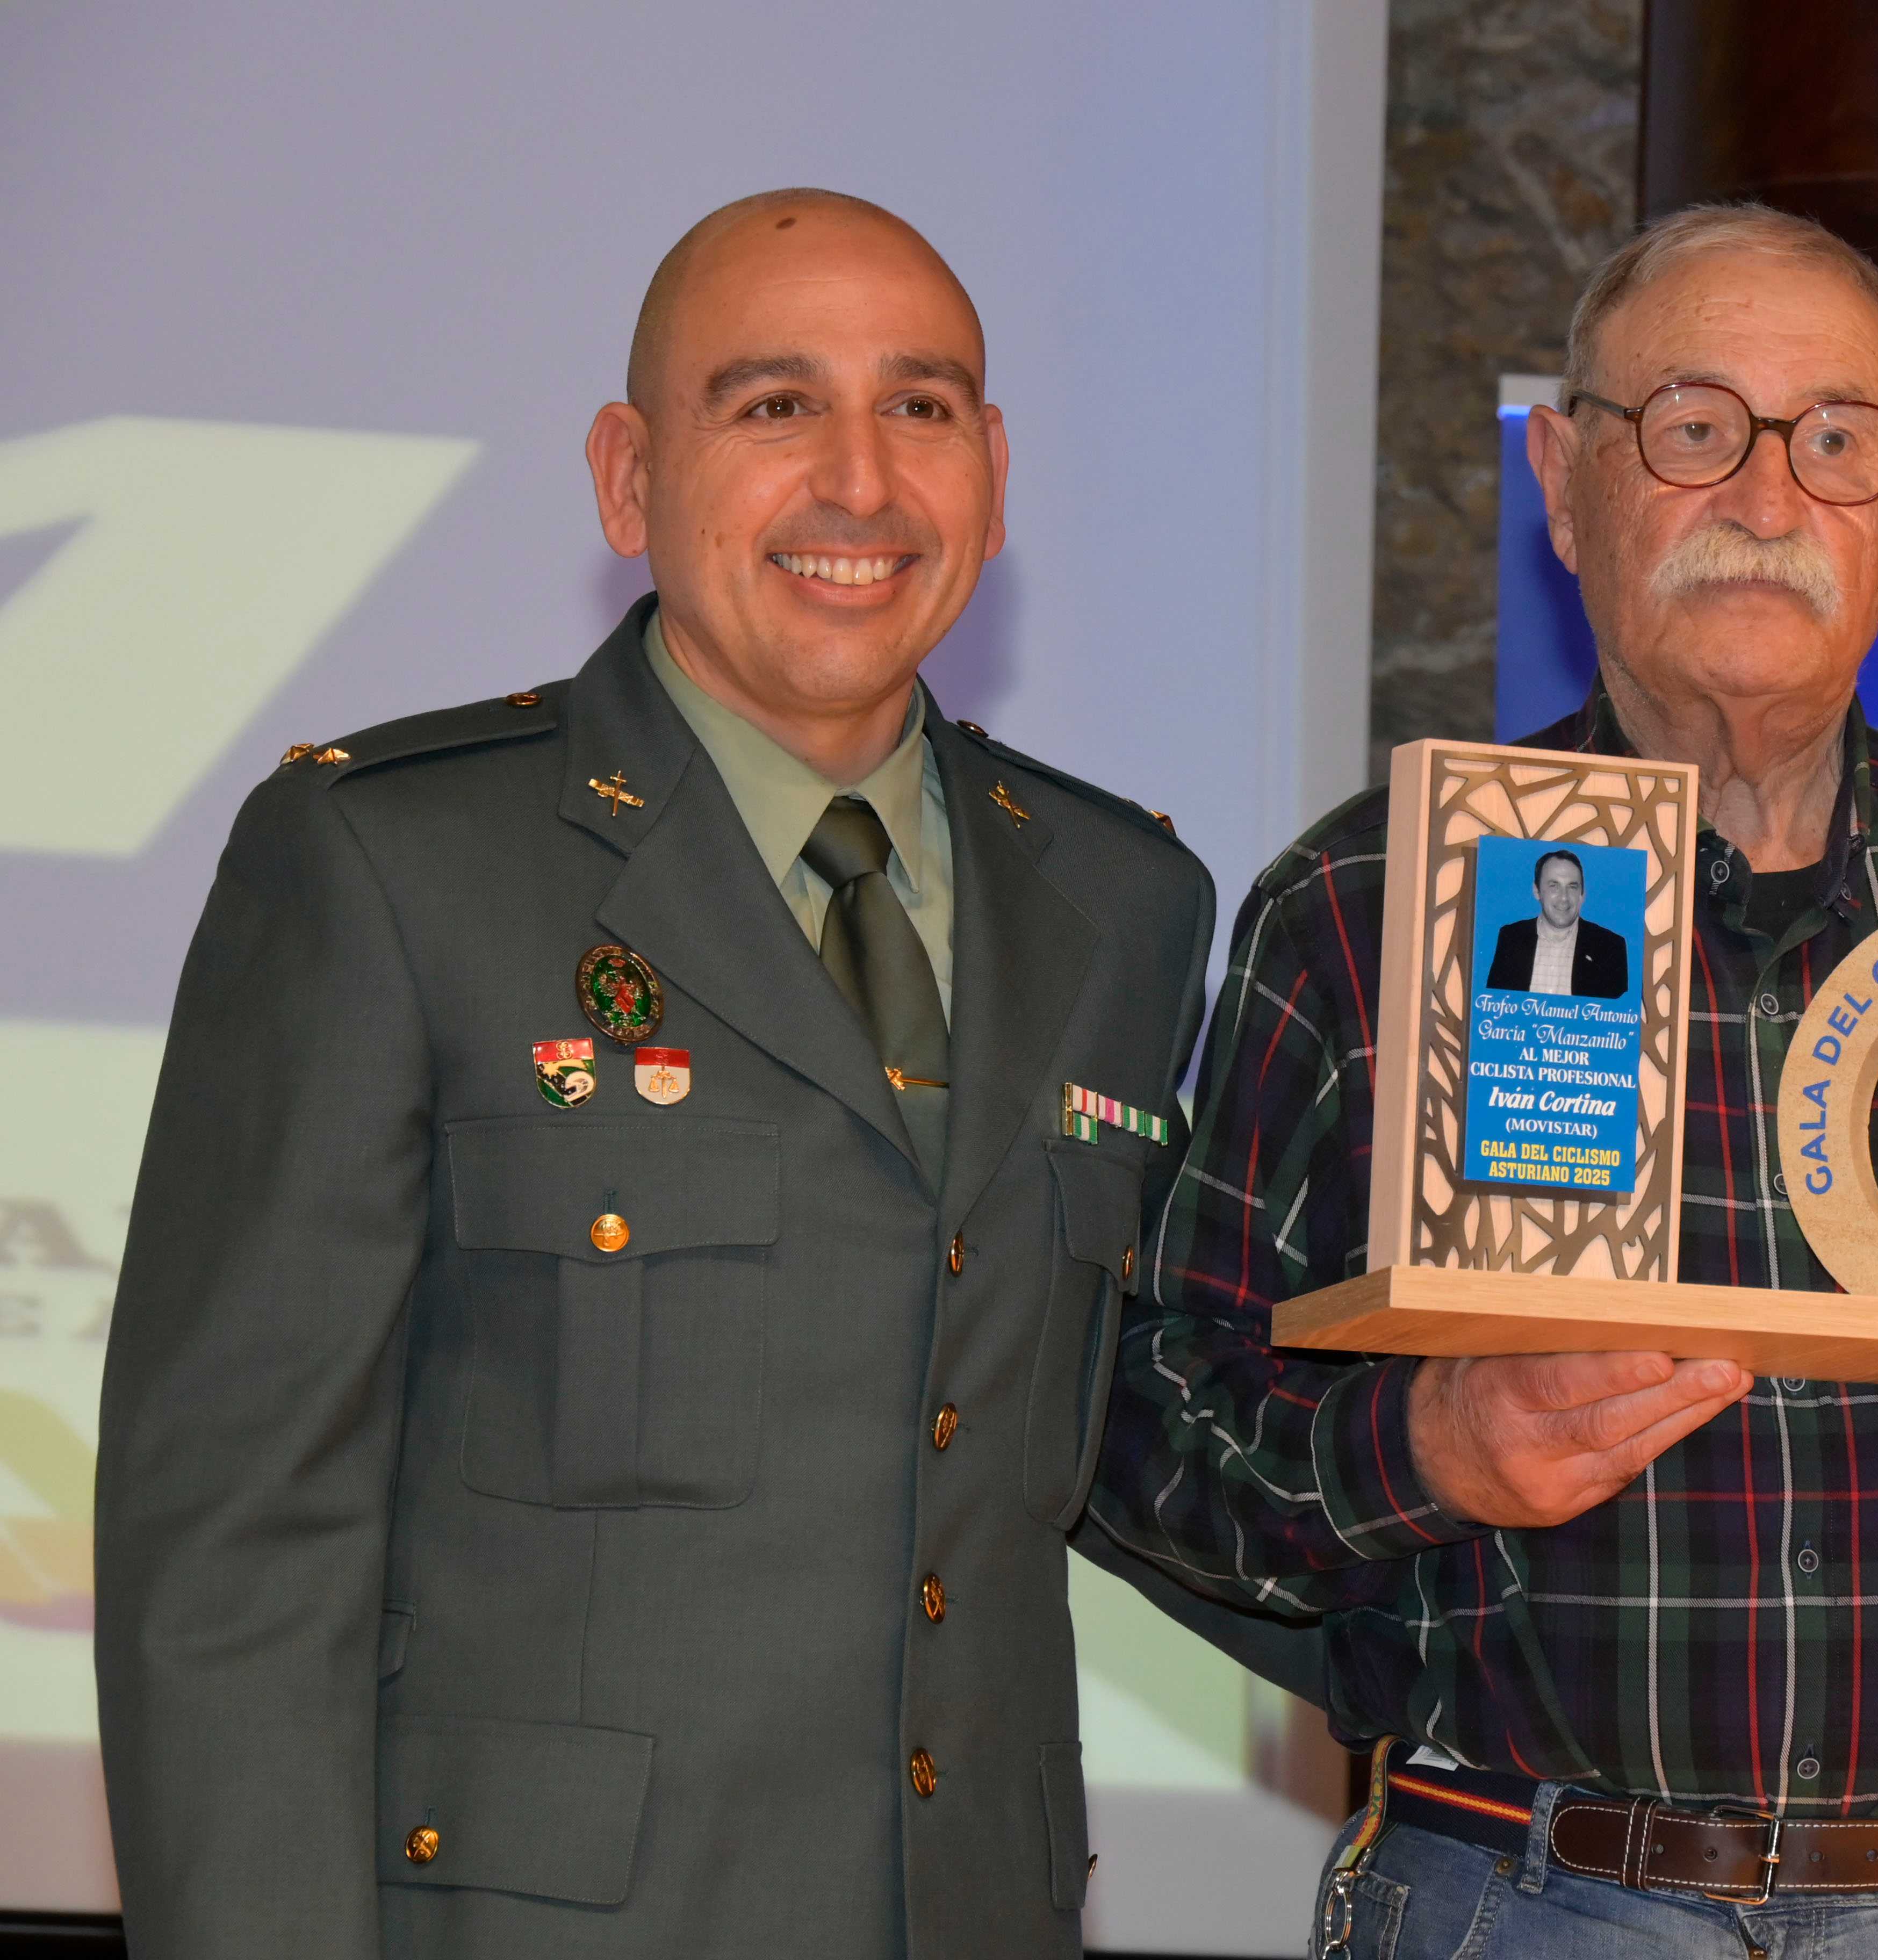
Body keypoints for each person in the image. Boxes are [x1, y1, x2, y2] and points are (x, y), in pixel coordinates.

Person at [1089, 202, 1878, 1959]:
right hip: (1517, 1897)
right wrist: (1419, 1447)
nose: (1766, 499)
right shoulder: (1373, 901)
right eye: (1694, 426)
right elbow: (1146, 1424)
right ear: (1562, 479)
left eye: (1835, 442)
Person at [94, 189, 1300, 1959]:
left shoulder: (1121, 899)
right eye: (772, 404)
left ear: (994, 466)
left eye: (922, 404)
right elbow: (234, 1555)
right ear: (624, 472)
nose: (861, 482)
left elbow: (1103, 1420)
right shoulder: (391, 862)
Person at [1484, 847, 1630, 997]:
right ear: (1537, 891)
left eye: (1572, 887)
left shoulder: (1610, 947)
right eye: (1554, 886)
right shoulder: (1511, 938)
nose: (1564, 898)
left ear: (1582, 895)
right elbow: (1495, 1006)